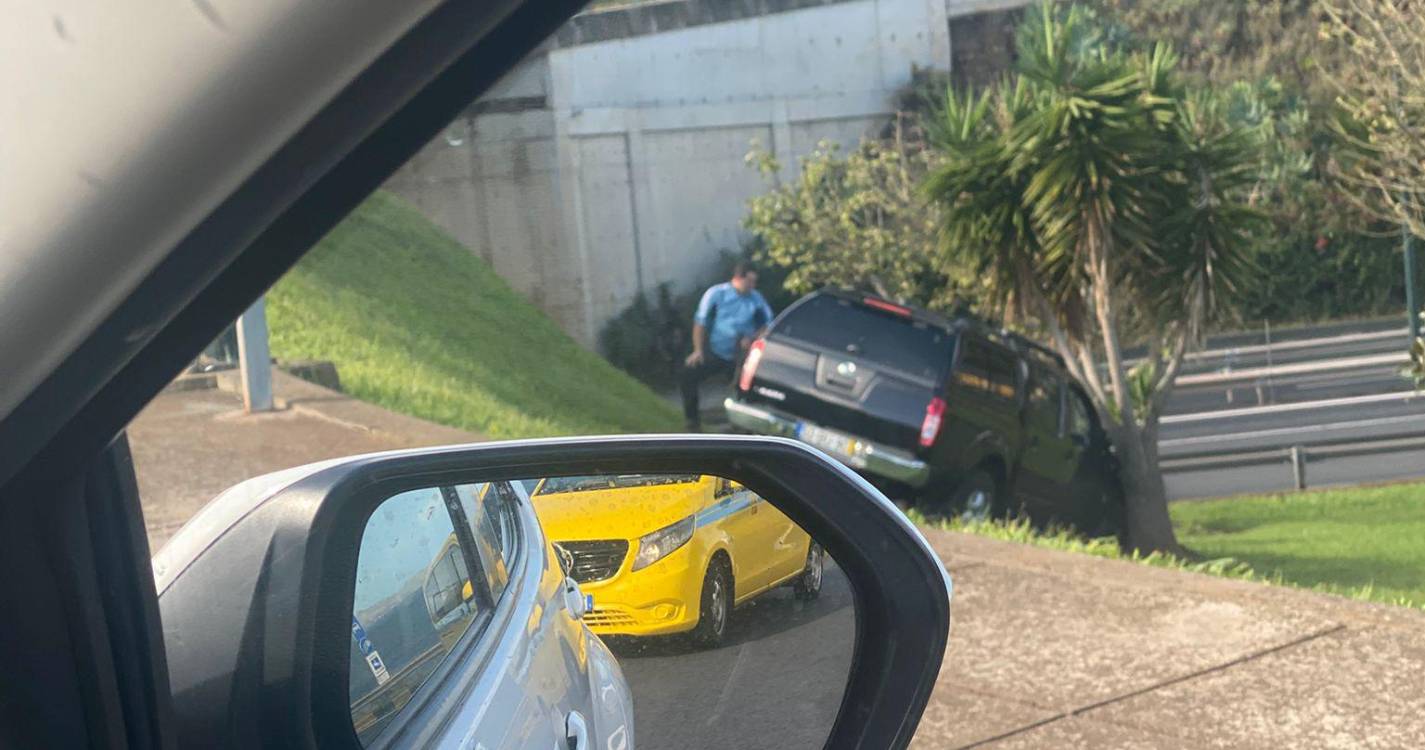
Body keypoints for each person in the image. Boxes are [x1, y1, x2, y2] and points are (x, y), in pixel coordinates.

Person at [681, 262, 775, 431]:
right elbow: (700, 322)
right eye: (749, 281)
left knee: (747, 391)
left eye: (754, 282)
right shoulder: (717, 294)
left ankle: (742, 429)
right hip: (715, 350)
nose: (752, 286)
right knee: (688, 374)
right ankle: (692, 422)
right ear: (738, 278)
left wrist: (752, 339)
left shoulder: (756, 300)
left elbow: (768, 326)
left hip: (741, 355)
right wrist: (698, 350)